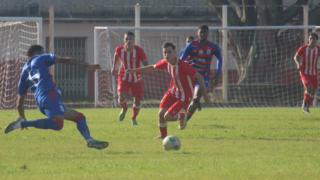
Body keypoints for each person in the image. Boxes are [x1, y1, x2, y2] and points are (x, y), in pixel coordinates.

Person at [4, 45, 109, 150]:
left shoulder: (24, 72)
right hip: (49, 94)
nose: (44, 53)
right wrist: (87, 65)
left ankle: (89, 139)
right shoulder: (40, 57)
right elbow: (65, 60)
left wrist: (22, 116)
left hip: (40, 102)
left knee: (79, 117)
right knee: (58, 124)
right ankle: (22, 124)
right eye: (42, 51)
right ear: (37, 52)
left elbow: (20, 102)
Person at [126, 42, 210, 139]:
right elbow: (152, 67)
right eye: (164, 52)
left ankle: (183, 116)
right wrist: (135, 70)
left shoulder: (183, 66)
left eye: (169, 52)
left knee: (168, 117)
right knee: (161, 113)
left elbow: (199, 76)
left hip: (185, 95)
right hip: (173, 91)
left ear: (174, 53)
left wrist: (205, 95)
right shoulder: (165, 62)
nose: (167, 54)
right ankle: (163, 136)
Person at [180, 25, 222, 121]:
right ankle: (181, 112)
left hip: (203, 76)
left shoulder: (213, 47)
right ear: (197, 33)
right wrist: (178, 71)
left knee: (196, 98)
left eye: (205, 32)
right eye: (201, 32)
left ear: (208, 33)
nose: (203, 34)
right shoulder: (191, 45)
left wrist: (218, 73)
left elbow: (220, 58)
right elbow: (181, 60)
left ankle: (185, 120)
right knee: (184, 98)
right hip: (190, 75)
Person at [111, 31, 149, 125]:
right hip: (123, 77)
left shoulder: (139, 51)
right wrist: (113, 67)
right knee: (121, 97)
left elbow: (146, 65)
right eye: (126, 39)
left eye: (130, 39)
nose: (128, 40)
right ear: (124, 40)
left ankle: (133, 118)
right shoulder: (119, 49)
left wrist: (142, 75)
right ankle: (124, 108)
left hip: (136, 79)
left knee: (137, 101)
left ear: (133, 40)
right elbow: (116, 54)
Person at [294, 32, 320, 113]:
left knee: (313, 91)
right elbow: (296, 57)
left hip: (314, 73)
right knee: (309, 87)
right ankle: (305, 103)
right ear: (308, 39)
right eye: (310, 38)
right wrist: (298, 64)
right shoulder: (303, 48)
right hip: (304, 72)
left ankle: (306, 108)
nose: (312, 40)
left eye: (313, 39)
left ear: (316, 40)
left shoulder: (318, 49)